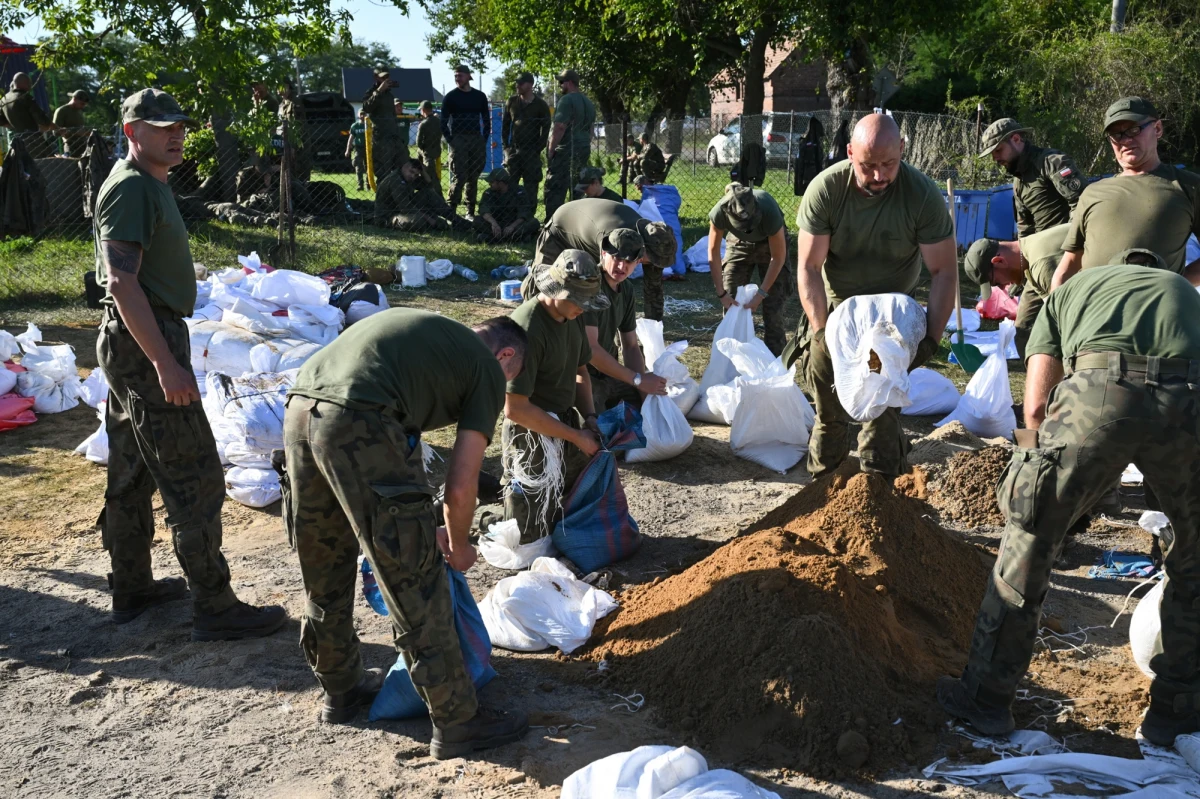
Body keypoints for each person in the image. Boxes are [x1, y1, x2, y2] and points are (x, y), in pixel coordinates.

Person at [937, 253, 1200, 747]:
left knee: (1028, 545)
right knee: (1194, 561)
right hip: (1189, 396)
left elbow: (1034, 405)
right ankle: (1177, 714)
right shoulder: (1185, 291)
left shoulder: (1065, 294)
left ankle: (985, 701)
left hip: (1099, 392)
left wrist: (1037, 478)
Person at [283, 309, 531, 754]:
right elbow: (461, 484)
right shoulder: (484, 367)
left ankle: (340, 689)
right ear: (506, 355)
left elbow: (405, 440)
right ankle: (457, 720)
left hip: (301, 409)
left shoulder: (428, 340)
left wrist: (417, 516)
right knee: (414, 578)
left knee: (325, 560)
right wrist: (457, 545)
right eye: (510, 375)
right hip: (357, 418)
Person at [93, 88, 286, 639]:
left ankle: (131, 587)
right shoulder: (131, 188)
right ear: (132, 132)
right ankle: (216, 606)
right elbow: (121, 281)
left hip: (138, 338)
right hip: (146, 339)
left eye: (179, 124)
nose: (175, 134)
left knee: (131, 470)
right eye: (160, 127)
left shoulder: (147, 182)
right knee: (195, 475)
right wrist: (165, 364)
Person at [785, 113, 956, 478]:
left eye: (889, 164)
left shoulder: (921, 195)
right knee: (829, 409)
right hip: (836, 313)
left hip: (892, 321)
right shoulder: (827, 190)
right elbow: (809, 268)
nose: (879, 176)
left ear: (902, 151)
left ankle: (880, 496)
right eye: (867, 166)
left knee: (882, 410)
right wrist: (819, 331)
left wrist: (932, 337)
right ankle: (823, 488)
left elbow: (943, 271)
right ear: (849, 152)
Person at [502, 251, 608, 544]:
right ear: (555, 292)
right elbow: (515, 409)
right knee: (527, 537)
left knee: (578, 502)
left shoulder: (570, 315)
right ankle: (478, 512)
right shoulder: (526, 329)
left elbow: (581, 372)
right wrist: (576, 436)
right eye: (579, 302)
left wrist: (589, 418)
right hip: (531, 429)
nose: (584, 309)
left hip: (564, 421)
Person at [1052, 97, 1200, 289]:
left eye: (1134, 129)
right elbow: (1069, 264)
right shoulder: (1092, 192)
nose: (1126, 140)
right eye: (1116, 134)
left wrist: (1174, 285)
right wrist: (1055, 310)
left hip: (1154, 313)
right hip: (1095, 312)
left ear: (1157, 129)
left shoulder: (1188, 185)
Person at [533, 197, 677, 322]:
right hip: (562, 229)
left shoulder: (654, 242)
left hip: (591, 235)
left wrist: (654, 325)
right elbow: (603, 285)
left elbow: (654, 289)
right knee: (545, 285)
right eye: (651, 259)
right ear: (642, 247)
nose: (651, 264)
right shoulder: (615, 239)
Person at [583, 230, 671, 411]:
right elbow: (591, 350)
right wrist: (637, 379)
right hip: (582, 374)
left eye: (629, 261)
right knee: (594, 427)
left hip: (608, 373)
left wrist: (643, 391)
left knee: (648, 406)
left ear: (638, 262)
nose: (622, 266)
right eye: (617, 258)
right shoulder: (590, 286)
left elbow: (630, 346)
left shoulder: (627, 289)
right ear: (604, 253)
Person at [707, 184, 790, 355]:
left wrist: (760, 294)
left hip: (770, 241)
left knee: (774, 307)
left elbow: (778, 257)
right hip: (738, 243)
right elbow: (713, 253)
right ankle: (731, 362)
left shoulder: (769, 211)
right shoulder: (719, 212)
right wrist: (722, 293)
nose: (749, 229)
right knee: (732, 304)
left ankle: (775, 365)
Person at [964, 223, 1067, 359]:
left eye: (997, 282)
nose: (1001, 288)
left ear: (999, 261)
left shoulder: (1042, 267)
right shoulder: (1028, 255)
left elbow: (1069, 322)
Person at [979, 118, 1086, 237]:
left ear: (1016, 139)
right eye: (992, 155)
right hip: (1042, 250)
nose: (995, 158)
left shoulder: (1051, 162)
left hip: (1069, 246)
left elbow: (1082, 203)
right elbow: (1025, 229)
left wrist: (1071, 244)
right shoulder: (1018, 181)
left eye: (998, 150)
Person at [544, 69, 595, 218]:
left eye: (562, 82)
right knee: (578, 187)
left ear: (570, 82)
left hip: (566, 149)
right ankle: (576, 221)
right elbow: (591, 130)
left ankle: (552, 224)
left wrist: (551, 149)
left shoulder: (566, 100)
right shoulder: (589, 103)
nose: (560, 85)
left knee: (555, 188)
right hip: (583, 148)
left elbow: (560, 127)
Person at [441, 65, 490, 218]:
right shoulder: (450, 97)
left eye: (460, 75)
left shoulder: (480, 96)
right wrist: (451, 140)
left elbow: (486, 120)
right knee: (460, 177)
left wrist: (483, 139)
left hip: (476, 139)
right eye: (455, 76)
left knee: (473, 177)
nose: (457, 78)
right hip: (459, 138)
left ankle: (470, 211)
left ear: (469, 76)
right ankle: (452, 211)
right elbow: (443, 122)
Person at [374, 158, 470, 233]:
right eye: (411, 172)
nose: (413, 176)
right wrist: (428, 218)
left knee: (428, 194)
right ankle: (432, 223)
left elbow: (429, 186)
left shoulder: (409, 178)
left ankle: (458, 221)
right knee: (418, 222)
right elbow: (406, 207)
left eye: (416, 175)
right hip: (389, 215)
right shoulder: (396, 180)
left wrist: (423, 172)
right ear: (404, 167)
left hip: (406, 209)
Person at [502, 72, 551, 204]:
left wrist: (538, 148)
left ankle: (529, 216)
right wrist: (506, 147)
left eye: (521, 83)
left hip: (531, 151)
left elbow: (546, 128)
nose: (517, 85)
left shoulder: (540, 104)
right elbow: (505, 126)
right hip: (514, 150)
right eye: (516, 82)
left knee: (531, 186)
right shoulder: (512, 101)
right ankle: (510, 214)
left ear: (530, 85)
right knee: (510, 184)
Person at [363, 65, 404, 184]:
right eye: (382, 77)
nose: (385, 79)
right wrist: (379, 91)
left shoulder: (390, 95)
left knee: (404, 167)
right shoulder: (371, 93)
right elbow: (367, 108)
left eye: (387, 76)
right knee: (384, 173)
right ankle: (384, 200)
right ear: (376, 78)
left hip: (395, 137)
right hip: (382, 139)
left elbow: (393, 116)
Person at [473, 167, 538, 243]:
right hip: (496, 223)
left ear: (500, 183)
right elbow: (484, 209)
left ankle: (492, 239)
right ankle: (516, 239)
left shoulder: (519, 191)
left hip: (515, 224)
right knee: (477, 221)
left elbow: (524, 212)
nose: (489, 184)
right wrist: (493, 223)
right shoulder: (489, 193)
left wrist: (512, 227)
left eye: (492, 182)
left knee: (533, 222)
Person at [0, 72, 57, 157]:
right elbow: (42, 120)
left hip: (14, 141)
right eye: (29, 84)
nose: (30, 87)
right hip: (32, 141)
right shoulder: (25, 97)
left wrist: (15, 126)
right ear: (24, 83)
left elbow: (1, 121)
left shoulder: (3, 100)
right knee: (47, 163)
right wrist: (58, 128)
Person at [52, 89, 91, 157]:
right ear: (75, 99)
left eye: (84, 104)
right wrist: (74, 132)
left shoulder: (79, 112)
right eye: (82, 103)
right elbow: (55, 132)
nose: (83, 106)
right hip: (71, 146)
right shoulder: (62, 111)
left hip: (84, 145)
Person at [416, 100, 442, 179]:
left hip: (427, 151)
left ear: (423, 110)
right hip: (437, 149)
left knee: (430, 174)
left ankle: (419, 170)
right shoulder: (438, 121)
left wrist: (422, 147)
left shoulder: (423, 124)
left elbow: (418, 142)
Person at [347, 110, 367, 191]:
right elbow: (351, 139)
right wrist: (347, 150)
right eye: (361, 114)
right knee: (358, 167)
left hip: (368, 148)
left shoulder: (369, 124)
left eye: (364, 114)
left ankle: (368, 184)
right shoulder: (355, 126)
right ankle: (360, 185)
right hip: (358, 148)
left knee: (368, 167)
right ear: (358, 115)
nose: (362, 116)